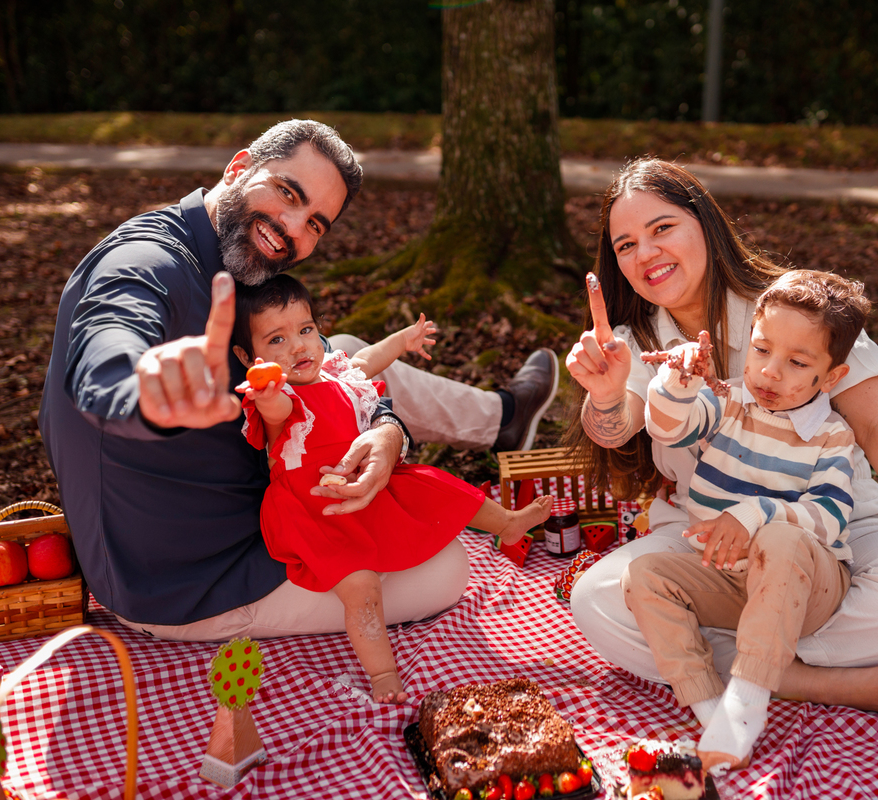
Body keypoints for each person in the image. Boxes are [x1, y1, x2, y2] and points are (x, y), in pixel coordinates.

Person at [38, 119, 557, 643]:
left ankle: (503, 420)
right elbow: (106, 347)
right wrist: (144, 394)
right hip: (192, 575)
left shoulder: (233, 263)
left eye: (315, 223)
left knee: (345, 353)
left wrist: (387, 428)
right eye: (287, 192)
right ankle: (499, 422)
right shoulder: (148, 260)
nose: (291, 227)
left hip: (255, 494)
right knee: (448, 567)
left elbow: (336, 370)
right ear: (238, 167)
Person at [563, 158, 878, 740]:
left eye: (662, 228)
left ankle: (739, 660)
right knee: (595, 602)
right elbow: (621, 426)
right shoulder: (636, 339)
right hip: (704, 535)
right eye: (626, 244)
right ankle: (801, 677)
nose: (646, 253)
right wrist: (608, 395)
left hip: (833, 528)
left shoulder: (802, 307)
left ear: (704, 225)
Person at [231, 275, 552, 701]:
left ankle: (507, 523)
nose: (297, 347)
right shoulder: (282, 398)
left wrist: (404, 340)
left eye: (306, 330)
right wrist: (266, 389)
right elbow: (276, 412)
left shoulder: (335, 372)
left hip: (365, 487)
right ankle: (383, 675)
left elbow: (368, 358)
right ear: (246, 355)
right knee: (361, 590)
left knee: (437, 486)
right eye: (276, 340)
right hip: (318, 515)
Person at [626, 269, 872, 769]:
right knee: (643, 576)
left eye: (797, 362)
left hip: (804, 585)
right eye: (762, 351)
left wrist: (753, 513)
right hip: (729, 581)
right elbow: (670, 428)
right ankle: (707, 705)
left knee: (780, 539)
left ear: (830, 377)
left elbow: (827, 519)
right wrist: (677, 379)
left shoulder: (831, 436)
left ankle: (747, 702)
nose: (770, 372)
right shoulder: (731, 400)